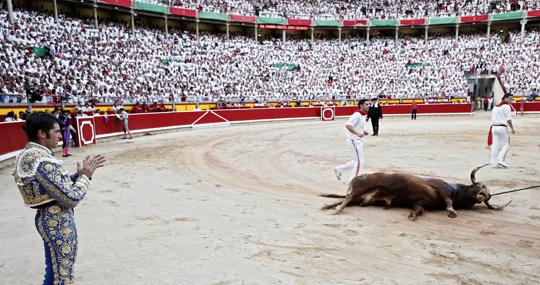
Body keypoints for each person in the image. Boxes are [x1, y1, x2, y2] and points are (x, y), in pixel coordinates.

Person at [12, 111, 106, 285]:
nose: (60, 135)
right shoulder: (43, 161)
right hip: (57, 219)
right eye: (56, 131)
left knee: (54, 269)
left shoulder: (28, 155)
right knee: (61, 275)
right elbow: (70, 199)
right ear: (42, 133)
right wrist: (86, 177)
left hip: (46, 216)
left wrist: (78, 176)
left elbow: (52, 187)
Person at [334, 99, 370, 182]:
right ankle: (354, 181)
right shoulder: (357, 114)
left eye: (368, 104)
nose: (368, 106)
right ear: (361, 105)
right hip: (354, 140)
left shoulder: (362, 115)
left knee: (356, 161)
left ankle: (339, 169)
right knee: (360, 161)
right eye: (366, 104)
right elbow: (348, 125)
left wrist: (363, 132)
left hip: (356, 140)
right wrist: (358, 133)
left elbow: (356, 126)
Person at [487, 93, 516, 168]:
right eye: (510, 98)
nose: (511, 100)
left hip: (494, 128)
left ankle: (493, 162)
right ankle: (500, 159)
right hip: (502, 128)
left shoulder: (495, 107)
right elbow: (508, 119)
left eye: (512, 99)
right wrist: (512, 128)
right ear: (505, 98)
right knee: (506, 144)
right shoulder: (506, 106)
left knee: (495, 146)